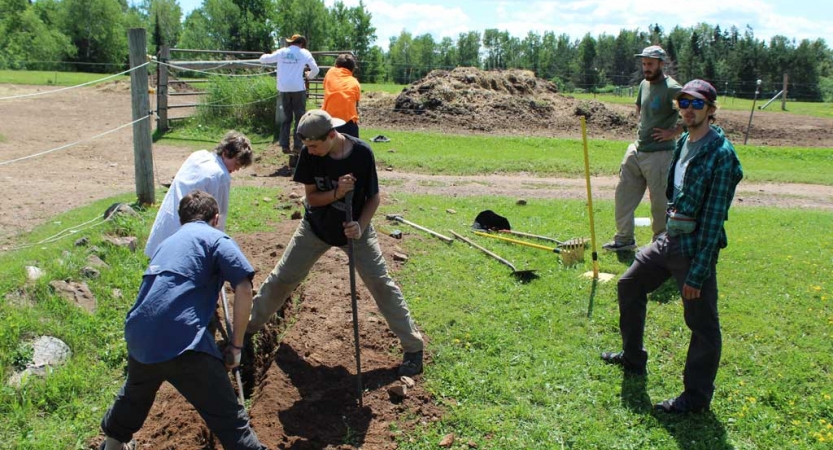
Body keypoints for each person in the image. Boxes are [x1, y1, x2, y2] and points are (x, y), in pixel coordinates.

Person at [244, 109, 424, 377]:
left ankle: (413, 348)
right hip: (315, 228)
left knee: (380, 283)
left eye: (315, 145)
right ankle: (246, 330)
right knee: (282, 278)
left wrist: (360, 226)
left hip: (355, 232)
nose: (311, 151)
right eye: (307, 146)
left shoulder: (362, 154)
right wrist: (338, 193)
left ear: (332, 135)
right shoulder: (309, 154)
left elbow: (373, 198)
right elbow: (312, 199)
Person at [601, 80, 743, 414]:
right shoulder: (682, 144)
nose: (689, 109)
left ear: (711, 109)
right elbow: (673, 195)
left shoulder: (721, 156)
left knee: (703, 325)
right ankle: (633, 357)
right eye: (684, 103)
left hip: (695, 249)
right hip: (669, 239)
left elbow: (713, 219)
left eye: (697, 104)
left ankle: (696, 397)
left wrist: (698, 272)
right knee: (629, 284)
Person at [99, 191, 267, 450]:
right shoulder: (215, 238)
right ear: (215, 218)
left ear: (182, 220)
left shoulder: (166, 243)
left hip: (140, 335)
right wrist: (236, 346)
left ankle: (112, 445)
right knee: (230, 421)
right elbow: (243, 288)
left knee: (134, 396)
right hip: (184, 341)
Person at [603, 45, 683, 252]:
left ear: (661, 64)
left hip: (661, 154)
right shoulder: (643, 85)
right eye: (644, 64)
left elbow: (698, 112)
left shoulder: (673, 88)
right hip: (637, 150)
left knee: (659, 203)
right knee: (623, 195)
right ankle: (624, 239)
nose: (646, 68)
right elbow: (640, 107)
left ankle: (660, 244)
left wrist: (673, 132)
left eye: (650, 64)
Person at [144, 131, 253, 258]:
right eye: (237, 163)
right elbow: (219, 215)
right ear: (226, 153)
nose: (237, 168)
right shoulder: (221, 176)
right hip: (187, 238)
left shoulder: (198, 155)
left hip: (165, 228)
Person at [259, 34, 320, 154]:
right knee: (299, 117)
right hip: (298, 88)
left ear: (291, 42)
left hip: (283, 88)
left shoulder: (282, 52)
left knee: (286, 118)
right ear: (301, 43)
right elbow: (316, 69)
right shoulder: (305, 53)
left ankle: (284, 145)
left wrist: (262, 56)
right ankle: (298, 144)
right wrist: (309, 75)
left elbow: (265, 59)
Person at [322, 53, 361, 138]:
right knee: (354, 149)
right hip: (348, 124)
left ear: (336, 65)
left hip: (329, 121)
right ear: (352, 69)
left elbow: (325, 87)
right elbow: (356, 102)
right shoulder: (355, 83)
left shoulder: (330, 72)